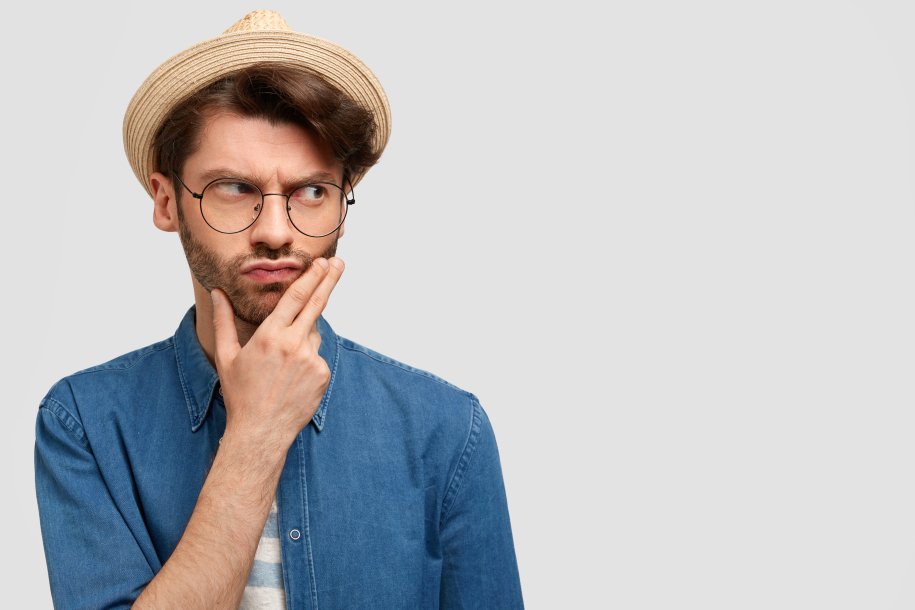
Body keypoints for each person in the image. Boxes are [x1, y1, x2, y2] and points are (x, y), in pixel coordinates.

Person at [34, 10, 523, 610]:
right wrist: (256, 435)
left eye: (311, 192)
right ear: (166, 201)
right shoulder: (83, 423)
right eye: (234, 188)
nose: (274, 231)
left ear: (343, 203)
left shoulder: (448, 431)